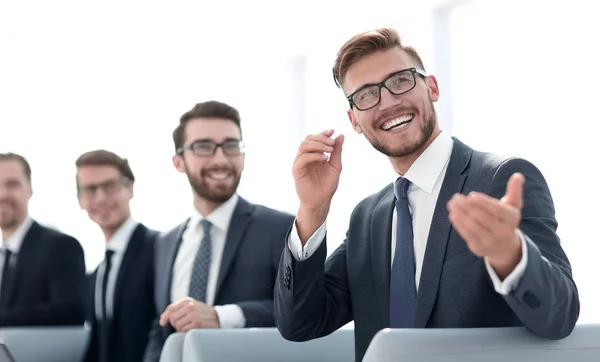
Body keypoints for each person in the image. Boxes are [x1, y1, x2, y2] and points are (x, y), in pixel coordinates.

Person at [274, 28, 579, 362]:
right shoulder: (368, 217)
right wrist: (312, 209)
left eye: (401, 80)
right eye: (365, 95)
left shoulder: (500, 180)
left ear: (431, 87)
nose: (388, 102)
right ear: (355, 120)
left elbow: (559, 317)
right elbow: (300, 324)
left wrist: (510, 255)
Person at [144, 101, 295, 362]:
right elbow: (160, 329)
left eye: (231, 146)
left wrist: (220, 316)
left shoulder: (280, 228)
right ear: (178, 161)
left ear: (243, 156)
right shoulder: (165, 242)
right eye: (204, 147)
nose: (221, 159)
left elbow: (300, 312)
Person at [77, 150, 158, 362]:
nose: (101, 197)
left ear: (129, 188)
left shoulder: (159, 248)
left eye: (110, 186)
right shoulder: (98, 272)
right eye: (90, 189)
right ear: (80, 200)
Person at [0, 152, 86, 326]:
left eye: (12, 184)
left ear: (30, 188)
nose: (3, 194)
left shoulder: (61, 247)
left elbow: (71, 311)